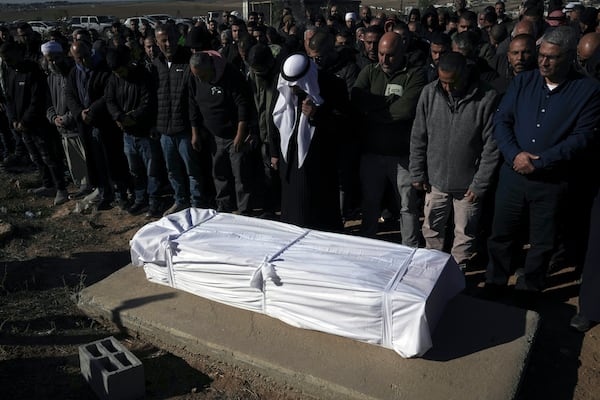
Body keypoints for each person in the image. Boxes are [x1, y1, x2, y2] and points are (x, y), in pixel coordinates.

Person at [485, 26, 600, 293]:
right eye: (542, 55)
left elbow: (582, 138)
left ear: (569, 57)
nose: (544, 62)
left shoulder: (587, 90)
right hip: (513, 175)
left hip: (551, 180)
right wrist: (515, 154)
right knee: (501, 234)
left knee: (542, 241)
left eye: (552, 57)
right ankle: (495, 284)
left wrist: (540, 161)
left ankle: (530, 289)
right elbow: (502, 121)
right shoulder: (523, 82)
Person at [410, 52, 500, 269]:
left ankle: (457, 274)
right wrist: (417, 171)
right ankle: (431, 271)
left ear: (465, 73)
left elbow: (491, 147)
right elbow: (418, 135)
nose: (448, 87)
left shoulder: (486, 97)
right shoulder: (429, 93)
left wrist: (480, 184)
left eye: (452, 82)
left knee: (465, 233)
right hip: (435, 180)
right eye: (443, 82)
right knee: (432, 229)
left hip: (468, 185)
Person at [351, 32, 427, 245]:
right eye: (381, 54)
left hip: (402, 156)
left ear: (402, 51)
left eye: (390, 55)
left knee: (407, 206)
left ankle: (410, 248)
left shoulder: (415, 75)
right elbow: (357, 99)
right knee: (370, 203)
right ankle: (367, 244)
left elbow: (405, 109)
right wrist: (388, 101)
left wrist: (374, 109)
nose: (384, 59)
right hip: (372, 153)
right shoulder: (370, 71)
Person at [270, 53, 346, 231]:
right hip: (289, 158)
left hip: (319, 161)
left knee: (315, 211)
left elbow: (343, 125)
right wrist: (274, 152)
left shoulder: (331, 84)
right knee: (291, 208)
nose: (292, 88)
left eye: (296, 84)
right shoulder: (283, 84)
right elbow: (274, 116)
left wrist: (317, 113)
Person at [151, 23, 212, 215]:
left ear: (179, 38)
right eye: (164, 41)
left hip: (185, 129)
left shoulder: (188, 62)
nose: (168, 44)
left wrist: (196, 129)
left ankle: (197, 204)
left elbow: (195, 98)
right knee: (172, 170)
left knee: (193, 170)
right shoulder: (155, 65)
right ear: (157, 42)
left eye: (171, 39)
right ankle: (180, 200)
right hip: (164, 130)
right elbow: (153, 97)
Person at [0, 41, 68, 206]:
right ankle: (48, 184)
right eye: (4, 59)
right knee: (36, 157)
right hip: (21, 124)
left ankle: (61, 188)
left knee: (49, 156)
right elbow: (9, 98)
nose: (7, 61)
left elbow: (37, 99)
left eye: (8, 57)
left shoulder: (33, 71)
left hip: (38, 123)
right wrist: (15, 120)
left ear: (17, 53)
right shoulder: (10, 71)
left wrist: (26, 120)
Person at [188, 50, 253, 215]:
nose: (200, 79)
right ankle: (224, 207)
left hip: (234, 134)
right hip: (213, 135)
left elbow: (243, 104)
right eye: (197, 76)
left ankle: (244, 210)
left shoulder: (230, 74)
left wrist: (240, 133)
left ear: (210, 67)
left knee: (241, 176)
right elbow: (193, 104)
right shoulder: (195, 76)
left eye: (202, 75)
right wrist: (195, 131)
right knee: (219, 173)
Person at [105, 45, 166, 218]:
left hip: (145, 132)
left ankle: (155, 201)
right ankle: (140, 199)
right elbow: (109, 100)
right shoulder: (113, 79)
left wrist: (134, 117)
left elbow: (148, 101)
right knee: (135, 170)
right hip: (128, 133)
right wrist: (118, 116)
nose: (119, 74)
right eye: (116, 72)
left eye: (120, 70)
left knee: (152, 170)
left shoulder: (142, 76)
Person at [42, 40, 91, 200]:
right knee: (75, 163)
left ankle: (93, 188)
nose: (54, 62)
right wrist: (53, 118)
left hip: (77, 125)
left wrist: (68, 117)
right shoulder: (50, 77)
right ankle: (84, 187)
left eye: (56, 58)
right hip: (62, 127)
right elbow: (48, 102)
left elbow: (81, 100)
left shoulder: (73, 73)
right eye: (50, 59)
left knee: (87, 161)